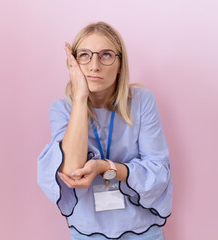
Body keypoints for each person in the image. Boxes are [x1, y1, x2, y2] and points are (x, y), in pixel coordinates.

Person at [37, 21, 172, 240]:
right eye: (85, 55)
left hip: (142, 229)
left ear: (120, 64)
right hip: (87, 231)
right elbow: (72, 168)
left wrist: (106, 168)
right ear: (73, 63)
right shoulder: (61, 109)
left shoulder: (142, 101)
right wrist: (80, 97)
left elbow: (158, 171)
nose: (94, 66)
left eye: (106, 55)